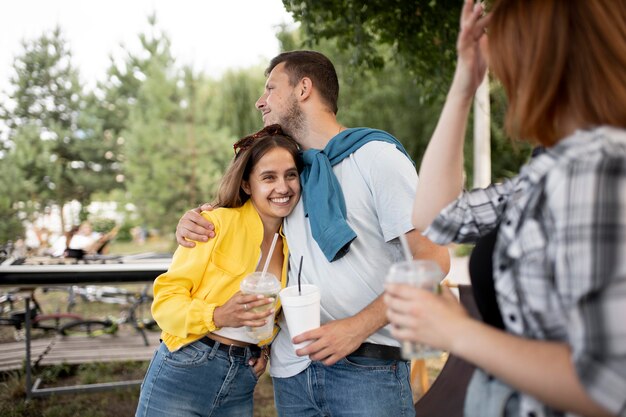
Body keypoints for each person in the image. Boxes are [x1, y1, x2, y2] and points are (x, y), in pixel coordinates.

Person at [385, 1, 626, 417]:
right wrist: (465, 81)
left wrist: (457, 331)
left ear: (540, 61)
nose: (499, 71)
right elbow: (435, 216)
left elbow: (607, 385)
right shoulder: (557, 167)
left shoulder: (597, 168)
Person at [176, 50, 450, 416]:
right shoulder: (289, 177)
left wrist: (356, 327)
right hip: (292, 372)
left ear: (304, 88)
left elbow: (435, 259)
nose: (260, 101)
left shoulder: (376, 158)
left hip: (367, 368)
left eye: (271, 88)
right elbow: (241, 230)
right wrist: (194, 218)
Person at [135, 125, 302, 417]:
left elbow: (272, 316)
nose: (283, 187)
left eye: (290, 174)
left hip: (241, 379)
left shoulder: (292, 243)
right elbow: (165, 302)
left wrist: (262, 348)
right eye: (268, 177)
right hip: (186, 368)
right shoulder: (215, 224)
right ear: (248, 184)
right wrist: (217, 314)